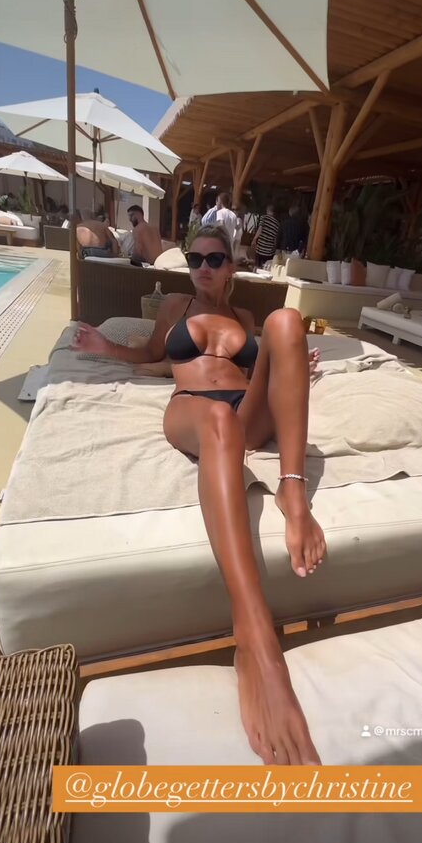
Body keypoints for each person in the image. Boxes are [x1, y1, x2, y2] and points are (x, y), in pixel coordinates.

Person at [70, 224, 325, 766]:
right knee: (217, 419)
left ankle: (293, 493)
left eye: (214, 259)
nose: (203, 267)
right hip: (193, 410)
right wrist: (104, 346)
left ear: (231, 267)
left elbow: (260, 374)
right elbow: (149, 354)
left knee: (287, 322)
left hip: (245, 412)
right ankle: (255, 638)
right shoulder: (175, 307)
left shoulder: (248, 319)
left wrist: (291, 366)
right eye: (195, 259)